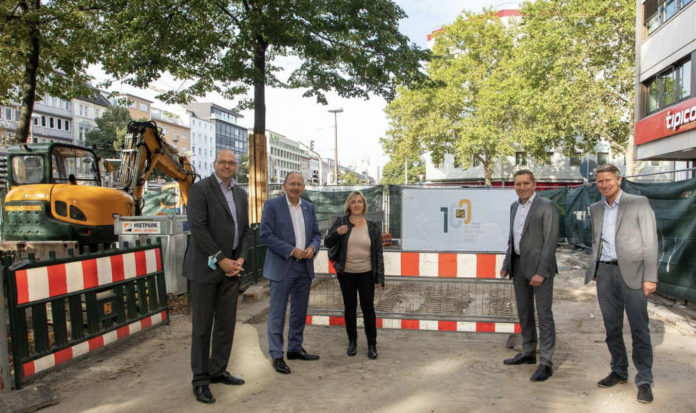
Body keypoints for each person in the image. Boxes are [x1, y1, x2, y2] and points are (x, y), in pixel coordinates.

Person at [585, 163, 658, 404]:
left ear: (619, 180)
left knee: (639, 329)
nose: (604, 185)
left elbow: (650, 241)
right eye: (600, 181)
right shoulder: (595, 208)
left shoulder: (638, 203)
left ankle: (644, 380)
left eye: (608, 180)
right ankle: (619, 370)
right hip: (605, 274)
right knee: (612, 328)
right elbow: (597, 241)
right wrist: (595, 268)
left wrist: (650, 277)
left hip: (634, 275)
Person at [183, 149, 251, 404]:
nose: (227, 166)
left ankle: (218, 370)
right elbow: (198, 228)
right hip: (206, 269)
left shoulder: (240, 193)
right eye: (223, 162)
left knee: (226, 324)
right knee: (202, 327)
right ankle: (200, 380)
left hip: (232, 269)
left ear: (236, 167)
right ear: (214, 164)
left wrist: (240, 260)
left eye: (231, 163)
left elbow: (245, 231)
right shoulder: (201, 190)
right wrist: (222, 260)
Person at [260, 171, 322, 374]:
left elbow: (316, 234)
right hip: (282, 265)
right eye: (292, 183)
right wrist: (290, 250)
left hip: (304, 266)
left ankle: (295, 348)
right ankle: (277, 354)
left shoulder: (308, 207)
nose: (295, 187)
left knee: (299, 310)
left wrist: (312, 248)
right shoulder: (272, 206)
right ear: (284, 185)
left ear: (304, 187)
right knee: (277, 312)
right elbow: (265, 235)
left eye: (299, 184)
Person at [500, 169, 559, 382]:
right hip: (518, 267)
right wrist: (507, 263)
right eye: (518, 184)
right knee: (524, 312)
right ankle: (527, 352)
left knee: (544, 315)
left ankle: (546, 362)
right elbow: (513, 238)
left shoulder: (547, 206)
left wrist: (541, 272)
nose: (522, 187)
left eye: (526, 183)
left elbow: (551, 241)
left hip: (540, 271)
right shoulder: (514, 207)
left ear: (534, 184)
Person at [324, 191, 385, 359]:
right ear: (349, 205)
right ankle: (352, 341)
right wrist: (338, 233)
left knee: (368, 309)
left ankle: (372, 344)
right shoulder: (341, 222)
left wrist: (379, 277)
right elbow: (327, 242)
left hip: (366, 273)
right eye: (353, 202)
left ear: (364, 205)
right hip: (346, 274)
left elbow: (378, 252)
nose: (357, 204)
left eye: (360, 202)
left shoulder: (372, 225)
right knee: (350, 308)